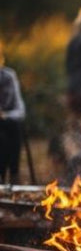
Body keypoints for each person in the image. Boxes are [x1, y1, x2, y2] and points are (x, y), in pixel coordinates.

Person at [0, 46, 26, 184]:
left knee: (12, 126)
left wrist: (5, 116)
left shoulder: (9, 76)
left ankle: (13, 175)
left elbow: (20, 110)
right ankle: (3, 176)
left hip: (7, 121)